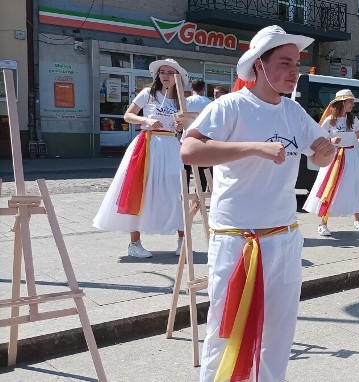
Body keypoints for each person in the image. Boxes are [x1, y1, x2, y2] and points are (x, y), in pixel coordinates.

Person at [181, 25, 335, 382]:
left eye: (297, 63)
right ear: (259, 65)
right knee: (227, 328)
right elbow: (189, 151)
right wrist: (253, 147)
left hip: (283, 237)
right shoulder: (231, 106)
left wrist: (325, 153)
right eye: (285, 62)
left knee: (279, 334)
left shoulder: (294, 112)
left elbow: (320, 155)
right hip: (237, 239)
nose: (294, 71)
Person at [93, 58, 187, 258]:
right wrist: (145, 119)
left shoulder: (180, 99)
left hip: (171, 146)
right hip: (147, 144)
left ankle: (182, 240)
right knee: (138, 189)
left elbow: (186, 123)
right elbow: (128, 116)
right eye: (162, 72)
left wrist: (181, 126)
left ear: (177, 76)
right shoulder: (148, 94)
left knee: (175, 191)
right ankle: (134, 244)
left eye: (170, 72)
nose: (165, 75)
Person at [303, 89, 359, 236]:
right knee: (329, 187)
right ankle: (323, 224)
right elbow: (317, 138)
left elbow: (358, 134)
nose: (353, 104)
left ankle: (358, 220)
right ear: (342, 103)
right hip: (333, 156)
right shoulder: (329, 120)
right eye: (350, 101)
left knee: (353, 186)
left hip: (350, 155)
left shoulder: (354, 119)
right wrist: (331, 140)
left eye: (352, 101)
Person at [184, 79, 212, 192]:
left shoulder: (186, 102)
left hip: (187, 137)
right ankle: (200, 193)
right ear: (204, 89)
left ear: (191, 88)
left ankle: (184, 191)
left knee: (185, 168)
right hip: (203, 139)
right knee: (202, 169)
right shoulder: (209, 103)